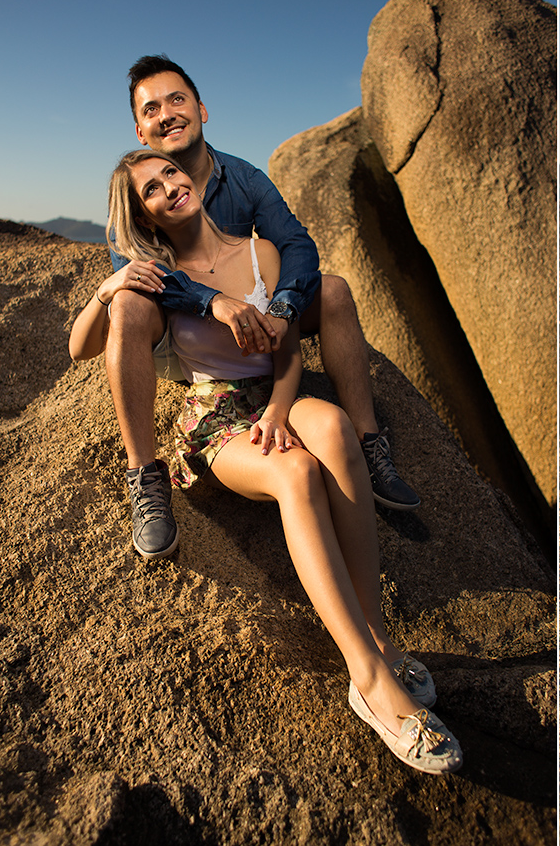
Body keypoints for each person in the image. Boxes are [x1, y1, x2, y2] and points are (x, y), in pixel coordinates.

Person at [69, 150, 459, 775]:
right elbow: (80, 347)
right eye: (151, 190)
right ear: (143, 216)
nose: (170, 186)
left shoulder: (263, 253)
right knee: (297, 471)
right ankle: (367, 679)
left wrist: (279, 411)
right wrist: (107, 288)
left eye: (171, 174)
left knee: (333, 428)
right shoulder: (160, 278)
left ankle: (381, 638)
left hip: (273, 398)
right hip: (217, 414)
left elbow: (287, 353)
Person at [111, 54, 419, 562]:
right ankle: (145, 477)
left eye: (176, 99)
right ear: (141, 131)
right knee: (128, 303)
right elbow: (142, 273)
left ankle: (368, 444)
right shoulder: (138, 193)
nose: (166, 114)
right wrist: (214, 303)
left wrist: (282, 308)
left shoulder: (243, 177)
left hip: (257, 330)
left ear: (201, 110)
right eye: (151, 109)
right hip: (184, 337)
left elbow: (295, 244)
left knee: (334, 291)